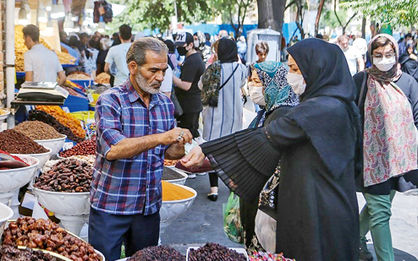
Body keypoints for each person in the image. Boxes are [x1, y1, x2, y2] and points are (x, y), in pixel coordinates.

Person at [182, 38, 361, 261]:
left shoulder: (325, 108)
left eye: (295, 69)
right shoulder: (330, 104)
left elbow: (270, 134)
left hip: (321, 210)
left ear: (318, 70)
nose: (289, 75)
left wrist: (208, 151)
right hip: (311, 203)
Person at [89, 38, 193, 261]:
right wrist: (162, 137)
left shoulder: (165, 105)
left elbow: (168, 153)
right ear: (133, 67)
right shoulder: (111, 101)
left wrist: (180, 144)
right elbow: (113, 149)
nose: (160, 77)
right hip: (112, 206)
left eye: (164, 70)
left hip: (148, 207)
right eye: (153, 70)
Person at [353, 34, 418, 261]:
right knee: (381, 212)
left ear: (396, 54)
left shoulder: (408, 83)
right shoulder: (360, 80)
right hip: (369, 159)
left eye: (388, 55)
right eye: (378, 55)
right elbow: (350, 116)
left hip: (399, 161)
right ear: (371, 56)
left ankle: (353, 239)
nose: (383, 59)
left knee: (377, 208)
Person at [240, 59, 299, 248]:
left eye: (258, 82)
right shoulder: (266, 113)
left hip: (270, 206)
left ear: (274, 83)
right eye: (252, 81)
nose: (252, 86)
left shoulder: (281, 116)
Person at [198, 38, 247, 201]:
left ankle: (214, 189)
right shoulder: (240, 69)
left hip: (214, 117)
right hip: (234, 117)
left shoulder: (213, 68)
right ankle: (233, 183)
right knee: (233, 151)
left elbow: (200, 85)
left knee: (213, 152)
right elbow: (242, 83)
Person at [173, 32, 205, 138]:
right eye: (177, 45)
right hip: (192, 105)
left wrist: (170, 77)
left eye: (181, 46)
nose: (178, 48)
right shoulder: (193, 58)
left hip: (190, 107)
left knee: (189, 137)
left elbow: (186, 85)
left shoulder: (192, 61)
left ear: (190, 45)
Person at [248, 42, 269, 107]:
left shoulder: (269, 66)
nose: (263, 56)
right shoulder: (253, 66)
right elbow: (249, 78)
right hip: (256, 92)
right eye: (261, 54)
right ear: (257, 54)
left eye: (265, 54)